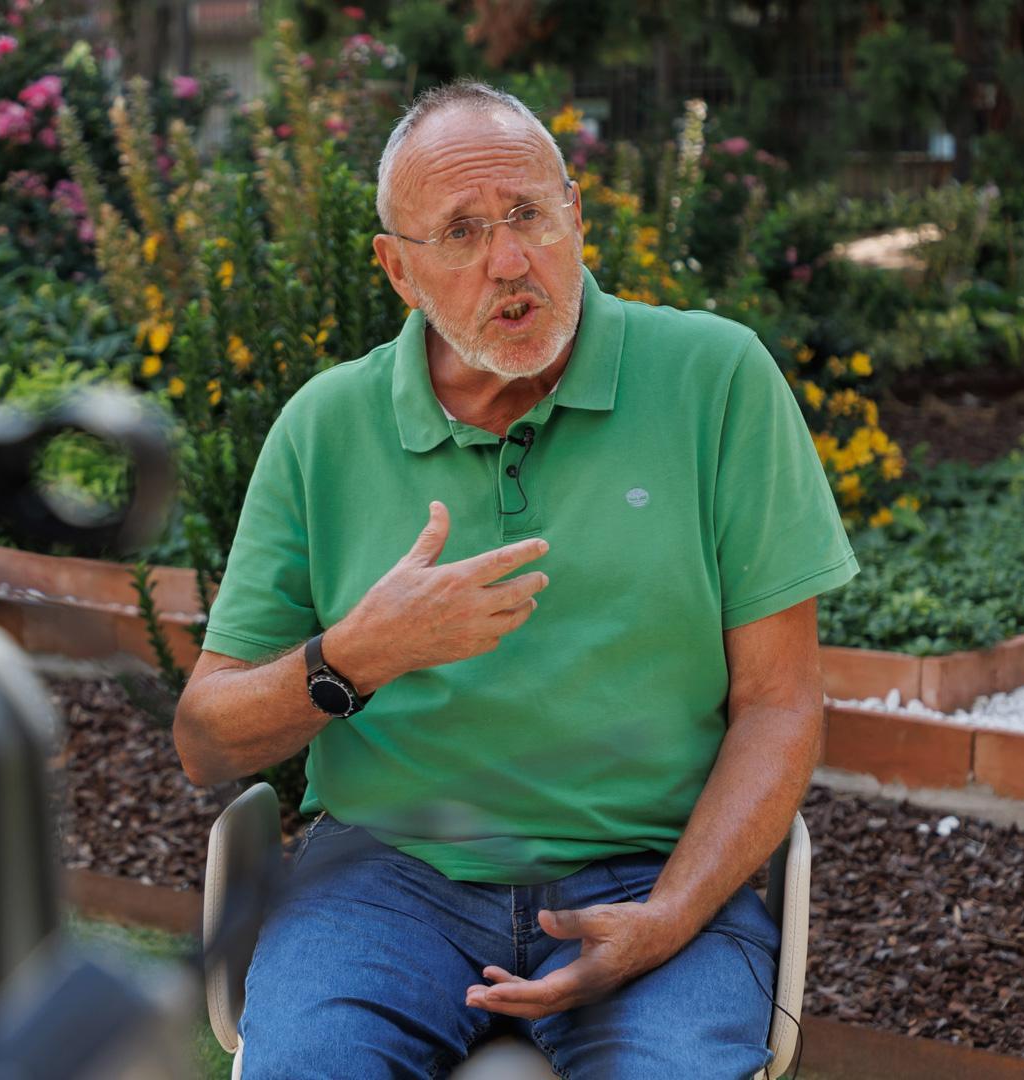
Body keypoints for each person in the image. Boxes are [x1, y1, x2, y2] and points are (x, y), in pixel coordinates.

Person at [172, 80, 856, 1078]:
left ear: (576, 214)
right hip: (385, 877)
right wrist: (358, 656)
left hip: (649, 866)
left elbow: (779, 701)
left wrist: (667, 917)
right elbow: (204, 741)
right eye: (459, 231)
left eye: (528, 214)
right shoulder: (324, 427)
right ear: (397, 270)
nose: (509, 259)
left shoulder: (717, 382)